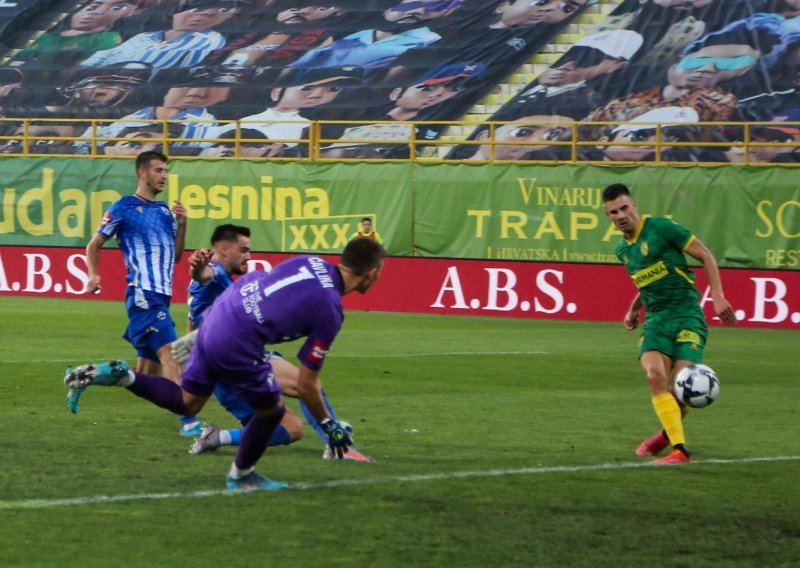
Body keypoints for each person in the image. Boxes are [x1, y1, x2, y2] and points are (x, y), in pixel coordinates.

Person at [64, 238, 386, 490]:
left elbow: (265, 280)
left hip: (221, 315)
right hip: (238, 338)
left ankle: (121, 376)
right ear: (372, 273)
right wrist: (331, 427)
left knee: (187, 402)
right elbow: (306, 383)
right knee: (271, 410)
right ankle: (242, 476)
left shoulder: (312, 262)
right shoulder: (331, 310)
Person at [179, 224, 373, 460]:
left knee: (300, 404)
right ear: (222, 249)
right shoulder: (216, 271)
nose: (248, 256)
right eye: (243, 250)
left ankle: (334, 445)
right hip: (228, 364)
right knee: (294, 415)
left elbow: (193, 321)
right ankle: (221, 441)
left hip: (240, 352)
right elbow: (204, 276)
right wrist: (198, 270)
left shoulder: (221, 281)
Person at [602, 183, 736, 465]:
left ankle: (665, 435)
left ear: (634, 206)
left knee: (681, 387)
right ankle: (680, 450)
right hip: (657, 320)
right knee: (654, 375)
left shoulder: (662, 228)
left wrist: (718, 297)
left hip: (687, 314)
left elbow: (706, 254)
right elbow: (648, 282)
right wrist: (633, 309)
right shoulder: (623, 251)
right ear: (609, 216)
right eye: (614, 212)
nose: (621, 215)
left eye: (624, 208)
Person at [74, 151, 203, 437]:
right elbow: (93, 245)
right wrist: (92, 274)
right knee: (172, 353)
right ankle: (190, 421)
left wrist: (183, 225)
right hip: (144, 293)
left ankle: (90, 374)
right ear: (142, 173)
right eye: (158, 170)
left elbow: (177, 257)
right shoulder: (124, 208)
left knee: (146, 375)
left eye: (166, 171)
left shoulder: (166, 212)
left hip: (162, 295)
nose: (164, 176)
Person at [79, 0, 241, 69]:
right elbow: (107, 56)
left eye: (209, 15)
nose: (198, 17)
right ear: (174, 14)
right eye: (195, 11)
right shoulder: (144, 37)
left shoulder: (210, 39)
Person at [12, 0, 144, 67]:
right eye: (92, 7)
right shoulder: (44, 37)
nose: (95, 12)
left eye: (116, 8)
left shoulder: (109, 38)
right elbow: (15, 59)